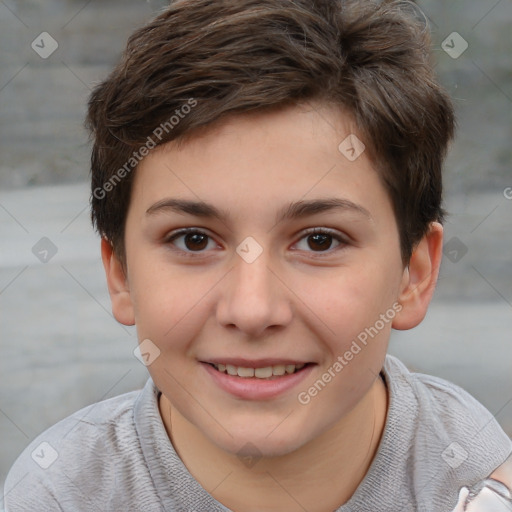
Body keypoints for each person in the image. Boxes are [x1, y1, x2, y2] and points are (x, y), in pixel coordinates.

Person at [4, 0, 512, 510]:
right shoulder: (59, 492)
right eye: (193, 240)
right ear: (121, 275)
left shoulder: (468, 467)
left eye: (319, 240)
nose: (252, 310)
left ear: (414, 276)